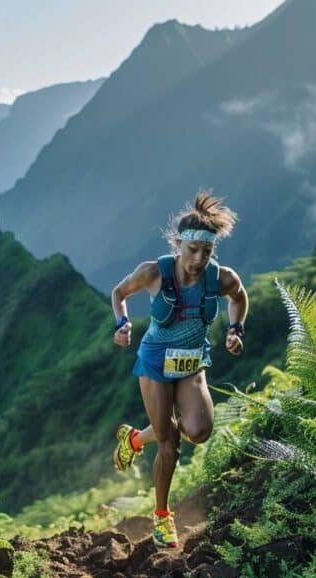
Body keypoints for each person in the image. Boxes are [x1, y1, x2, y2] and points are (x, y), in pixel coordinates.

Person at [109, 191, 248, 548]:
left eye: (206, 252)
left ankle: (135, 439)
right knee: (170, 443)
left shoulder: (220, 278)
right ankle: (162, 517)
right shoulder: (154, 272)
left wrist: (236, 329)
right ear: (177, 243)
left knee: (198, 430)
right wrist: (122, 324)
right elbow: (118, 293)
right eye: (192, 250)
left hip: (191, 363)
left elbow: (240, 298)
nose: (199, 259)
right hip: (155, 363)